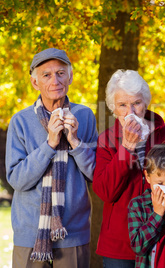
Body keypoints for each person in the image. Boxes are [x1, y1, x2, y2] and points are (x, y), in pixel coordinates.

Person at [92, 69, 165, 267]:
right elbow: (105, 192)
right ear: (113, 108)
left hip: (164, 241)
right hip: (121, 244)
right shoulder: (106, 140)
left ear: (146, 103)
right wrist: (125, 148)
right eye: (122, 105)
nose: (130, 112)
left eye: (136, 103)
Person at [5, 48, 98, 267]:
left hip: (73, 232)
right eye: (46, 75)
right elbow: (17, 179)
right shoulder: (20, 121)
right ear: (35, 82)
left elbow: (96, 173)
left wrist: (75, 141)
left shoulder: (84, 116)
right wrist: (50, 144)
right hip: (30, 235)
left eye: (60, 73)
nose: (54, 80)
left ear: (71, 77)